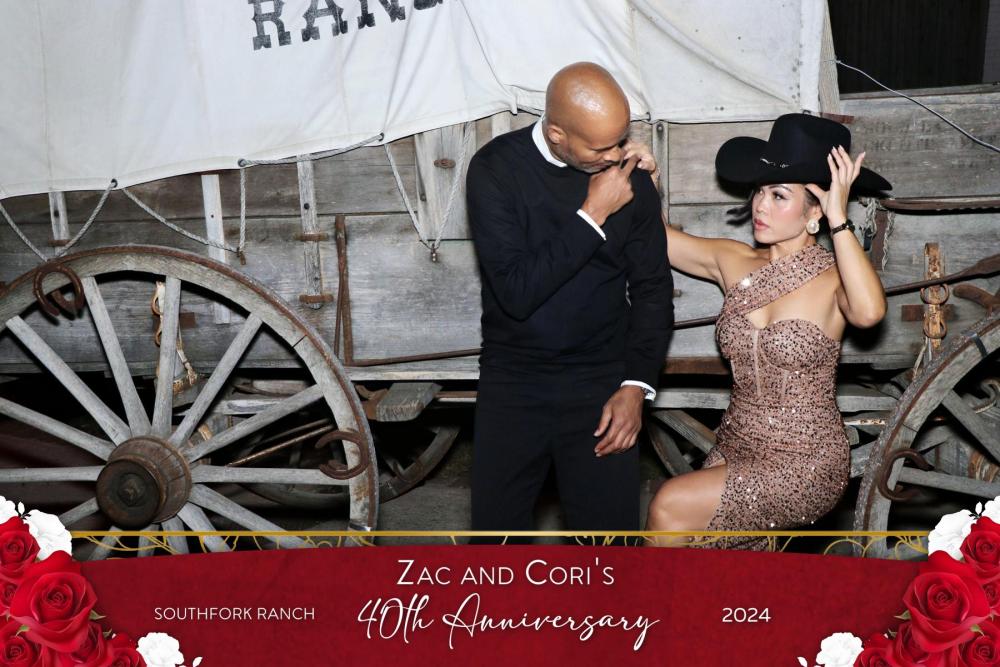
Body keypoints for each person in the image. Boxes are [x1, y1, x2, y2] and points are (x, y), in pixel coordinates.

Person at [636, 113, 890, 549]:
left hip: (807, 461)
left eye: (778, 195)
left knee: (669, 504)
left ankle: (650, 598)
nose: (760, 205)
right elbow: (657, 238)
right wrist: (650, 180)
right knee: (705, 557)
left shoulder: (835, 277)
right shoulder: (733, 259)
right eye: (759, 191)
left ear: (814, 210)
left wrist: (839, 218)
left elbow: (868, 313)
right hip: (736, 444)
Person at [465, 62, 674, 538]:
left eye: (621, 140)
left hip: (603, 384)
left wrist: (636, 385)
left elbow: (653, 288)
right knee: (494, 548)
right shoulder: (495, 170)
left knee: (608, 549)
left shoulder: (631, 178)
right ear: (557, 133)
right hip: (514, 382)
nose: (616, 156)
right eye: (601, 148)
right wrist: (592, 213)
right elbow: (517, 293)